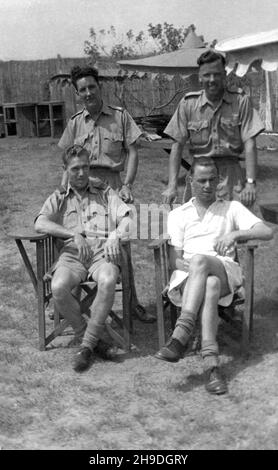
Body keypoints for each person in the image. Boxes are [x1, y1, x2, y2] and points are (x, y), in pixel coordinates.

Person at [155, 158, 273, 395]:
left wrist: (235, 235)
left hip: (225, 271)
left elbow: (266, 231)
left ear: (219, 180)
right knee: (208, 282)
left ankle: (181, 335)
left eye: (212, 180)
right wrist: (196, 271)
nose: (207, 185)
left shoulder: (232, 208)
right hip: (192, 277)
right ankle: (212, 366)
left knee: (202, 262)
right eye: (201, 180)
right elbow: (173, 259)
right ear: (190, 181)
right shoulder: (179, 214)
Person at [58, 65, 155, 323]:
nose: (88, 92)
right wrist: (63, 189)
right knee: (79, 242)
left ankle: (132, 304)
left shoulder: (120, 117)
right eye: (82, 89)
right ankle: (73, 303)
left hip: (111, 185)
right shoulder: (75, 123)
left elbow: (133, 151)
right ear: (77, 94)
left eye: (92, 87)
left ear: (99, 87)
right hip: (82, 188)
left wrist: (128, 185)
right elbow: (66, 160)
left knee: (120, 244)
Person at [35, 144, 133, 373]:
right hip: (71, 257)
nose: (81, 173)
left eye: (85, 167)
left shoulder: (104, 192)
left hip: (101, 254)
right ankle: (91, 340)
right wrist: (72, 234)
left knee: (108, 280)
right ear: (66, 169)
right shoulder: (59, 197)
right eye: (75, 168)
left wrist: (115, 237)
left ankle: (86, 346)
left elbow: (128, 218)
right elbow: (40, 223)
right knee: (58, 287)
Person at [162, 50, 265, 207]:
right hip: (200, 176)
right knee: (197, 226)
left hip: (232, 178)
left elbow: (250, 143)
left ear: (224, 74)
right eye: (207, 75)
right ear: (200, 76)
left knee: (236, 227)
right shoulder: (188, 104)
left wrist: (250, 183)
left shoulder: (240, 101)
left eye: (216, 74)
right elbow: (177, 146)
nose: (212, 79)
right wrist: (172, 185)